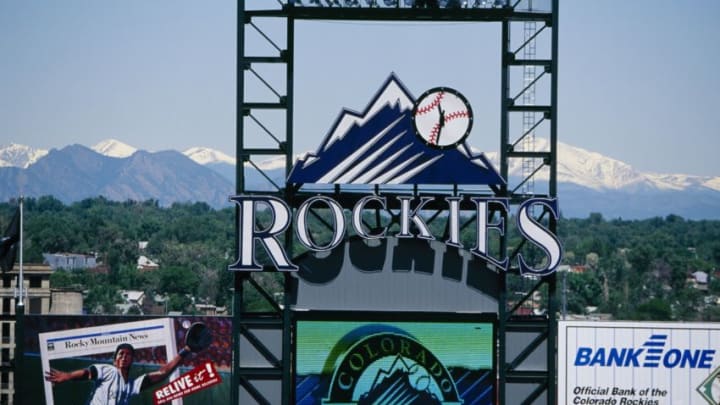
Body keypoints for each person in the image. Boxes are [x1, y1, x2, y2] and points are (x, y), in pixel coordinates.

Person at [45, 342, 193, 405]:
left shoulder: (132, 385)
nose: (123, 357)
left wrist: (185, 351)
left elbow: (162, 373)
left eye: (128, 354)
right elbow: (87, 373)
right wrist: (68, 376)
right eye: (120, 354)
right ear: (115, 359)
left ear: (132, 359)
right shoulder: (108, 371)